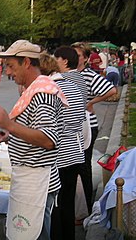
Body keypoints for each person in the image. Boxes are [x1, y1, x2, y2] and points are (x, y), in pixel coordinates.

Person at [0, 40, 68, 240]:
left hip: (38, 184)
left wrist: (9, 124)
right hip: (29, 181)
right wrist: (11, 135)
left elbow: (49, 139)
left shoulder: (42, 94)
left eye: (11, 66)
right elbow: (35, 131)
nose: (8, 72)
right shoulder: (33, 90)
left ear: (26, 62)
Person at [39, 52, 86, 240]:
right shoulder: (74, 87)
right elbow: (80, 117)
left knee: (55, 206)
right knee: (68, 203)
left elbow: (51, 127)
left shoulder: (51, 89)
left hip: (59, 154)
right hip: (76, 151)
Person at [72, 42, 117, 216]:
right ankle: (79, 206)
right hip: (74, 126)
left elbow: (111, 90)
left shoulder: (88, 75)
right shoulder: (70, 75)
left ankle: (86, 207)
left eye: (78, 55)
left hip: (87, 126)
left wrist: (91, 102)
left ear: (85, 58)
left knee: (83, 166)